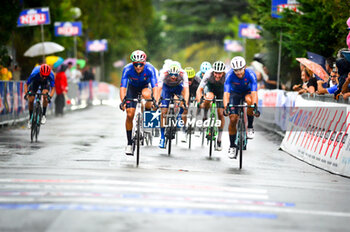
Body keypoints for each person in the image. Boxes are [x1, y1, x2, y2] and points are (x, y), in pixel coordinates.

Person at [119, 50, 158, 155]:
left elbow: (155, 87)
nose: (138, 67)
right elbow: (123, 87)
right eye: (136, 64)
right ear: (133, 63)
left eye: (141, 64)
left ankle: (147, 115)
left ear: (144, 62)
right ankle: (129, 144)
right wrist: (123, 101)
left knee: (147, 95)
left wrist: (156, 101)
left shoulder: (150, 69)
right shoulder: (127, 69)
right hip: (132, 89)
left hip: (145, 87)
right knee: (130, 114)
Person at [223, 56, 259, 159]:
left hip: (247, 92)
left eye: (240, 70)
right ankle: (232, 146)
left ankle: (250, 126)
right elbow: (226, 94)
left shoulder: (251, 74)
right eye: (236, 70)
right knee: (233, 119)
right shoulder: (229, 75)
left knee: (249, 101)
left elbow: (254, 93)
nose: (238, 72)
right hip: (235, 93)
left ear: (245, 67)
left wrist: (255, 106)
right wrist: (226, 107)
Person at [196, 61, 226, 151]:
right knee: (208, 98)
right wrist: (199, 101)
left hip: (222, 91)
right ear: (213, 71)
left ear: (223, 73)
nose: (217, 75)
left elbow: (229, 91)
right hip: (210, 88)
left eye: (220, 73)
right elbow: (199, 89)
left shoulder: (227, 76)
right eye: (216, 73)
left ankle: (219, 140)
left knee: (221, 114)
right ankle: (205, 115)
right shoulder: (208, 74)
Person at [157, 62, 189, 148]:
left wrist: (185, 102)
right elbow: (159, 88)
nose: (174, 77)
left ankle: (179, 117)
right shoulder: (164, 73)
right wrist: (157, 101)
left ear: (179, 73)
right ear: (168, 73)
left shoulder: (183, 73)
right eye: (172, 75)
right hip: (166, 88)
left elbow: (186, 89)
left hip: (178, 87)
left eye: (175, 75)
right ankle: (162, 138)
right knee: (163, 111)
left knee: (183, 102)